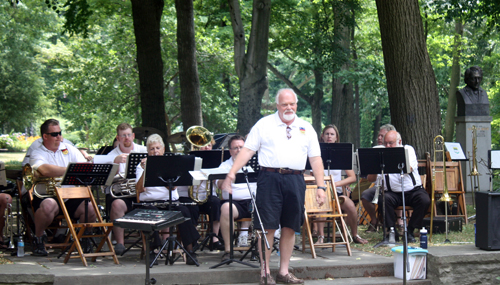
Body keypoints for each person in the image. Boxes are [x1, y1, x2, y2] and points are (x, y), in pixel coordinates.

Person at [221, 88, 326, 285]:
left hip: (296, 179)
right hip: (269, 178)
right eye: (284, 104)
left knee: (290, 226)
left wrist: (321, 187)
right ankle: (265, 272)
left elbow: (316, 159)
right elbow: (247, 151)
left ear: (296, 105)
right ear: (277, 106)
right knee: (267, 227)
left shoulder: (306, 127)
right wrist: (232, 172)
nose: (289, 107)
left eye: (292, 104)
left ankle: (284, 272)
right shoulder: (264, 125)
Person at [29, 119, 96, 256]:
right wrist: (70, 170)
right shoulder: (37, 153)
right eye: (54, 134)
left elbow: (84, 168)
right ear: (45, 136)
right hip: (48, 196)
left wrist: (69, 171)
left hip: (69, 196)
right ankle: (39, 238)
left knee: (90, 208)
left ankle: (82, 239)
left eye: (60, 133)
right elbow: (44, 170)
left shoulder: (69, 149)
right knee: (48, 206)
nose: (59, 137)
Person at [135, 134, 200, 265]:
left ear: (163, 149)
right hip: (150, 203)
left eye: (158, 148)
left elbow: (173, 187)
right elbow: (139, 189)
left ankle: (190, 251)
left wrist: (161, 170)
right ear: (148, 151)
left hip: (170, 201)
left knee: (184, 211)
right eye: (152, 149)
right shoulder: (141, 165)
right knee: (150, 213)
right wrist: (146, 170)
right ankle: (152, 251)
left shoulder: (171, 163)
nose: (155, 151)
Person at [367, 131, 431, 243]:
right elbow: (370, 179)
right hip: (392, 193)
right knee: (383, 200)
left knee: (424, 200)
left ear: (399, 142)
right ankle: (392, 231)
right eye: (385, 143)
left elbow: (409, 168)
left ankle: (410, 230)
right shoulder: (380, 152)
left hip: (413, 191)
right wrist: (374, 166)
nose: (387, 146)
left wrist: (390, 160)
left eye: (391, 143)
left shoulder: (408, 149)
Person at [312, 125, 367, 245]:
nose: (329, 137)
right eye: (327, 134)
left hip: (336, 192)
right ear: (322, 136)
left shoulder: (341, 154)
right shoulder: (315, 153)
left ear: (336, 137)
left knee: (351, 206)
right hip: (320, 191)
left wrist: (335, 183)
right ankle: (321, 237)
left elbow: (352, 177)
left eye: (332, 134)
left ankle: (355, 235)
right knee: (322, 205)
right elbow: (309, 174)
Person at [105, 123, 147, 255]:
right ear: (118, 138)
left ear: (133, 136)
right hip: (122, 195)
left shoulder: (144, 151)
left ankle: (154, 243)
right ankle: (120, 244)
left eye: (129, 135)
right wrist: (114, 163)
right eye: (123, 136)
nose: (126, 138)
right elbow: (105, 183)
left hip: (142, 194)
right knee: (116, 204)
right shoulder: (111, 156)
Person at [177, 137, 223, 251]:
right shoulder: (186, 160)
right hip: (189, 196)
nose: (207, 148)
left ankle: (214, 239)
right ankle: (193, 239)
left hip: (206, 195)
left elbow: (218, 185)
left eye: (209, 145)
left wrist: (214, 177)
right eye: (204, 145)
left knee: (216, 203)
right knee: (191, 208)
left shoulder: (215, 162)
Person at [216, 135, 256, 261]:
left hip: (254, 201)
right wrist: (228, 175)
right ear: (230, 151)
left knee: (265, 205)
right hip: (234, 203)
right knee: (226, 208)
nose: (239, 150)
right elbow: (219, 185)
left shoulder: (255, 164)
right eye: (235, 148)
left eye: (241, 147)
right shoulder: (225, 165)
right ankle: (228, 250)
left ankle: (258, 249)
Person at [361, 124, 396, 232]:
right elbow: (371, 178)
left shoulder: (397, 150)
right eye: (379, 136)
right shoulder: (376, 149)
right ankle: (374, 220)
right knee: (365, 195)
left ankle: (399, 222)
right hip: (379, 185)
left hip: (394, 186)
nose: (379, 138)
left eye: (382, 136)